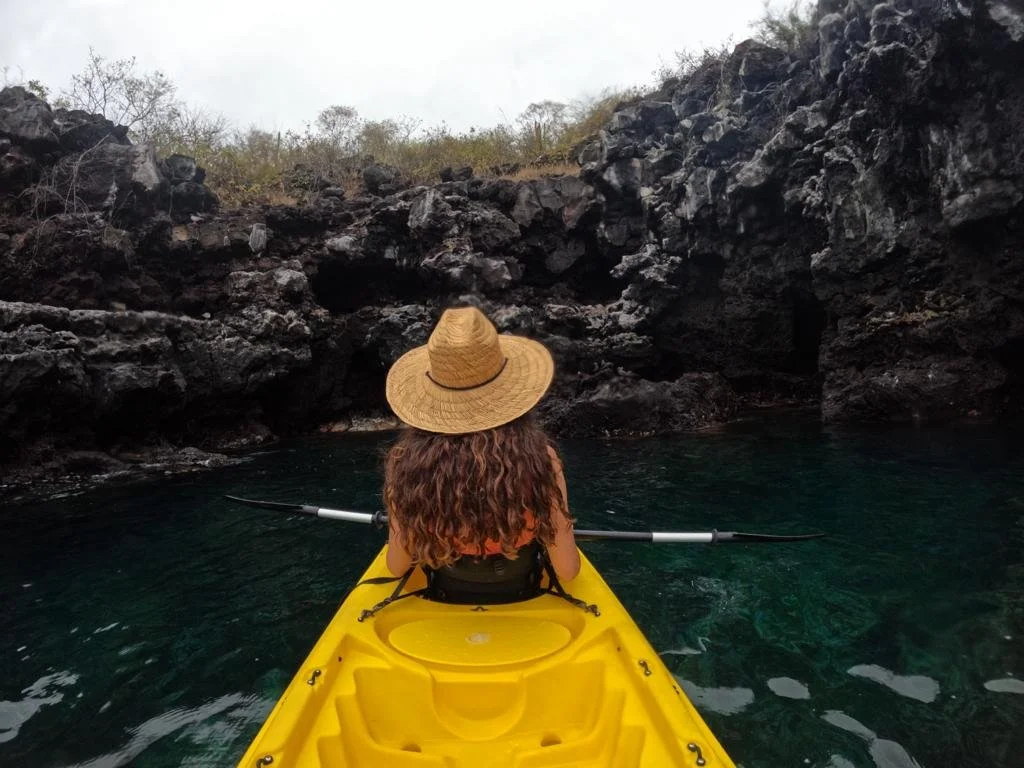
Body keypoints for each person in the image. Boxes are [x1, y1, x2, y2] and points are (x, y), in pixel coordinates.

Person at [381, 305, 580, 601]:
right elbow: (567, 570)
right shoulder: (542, 460)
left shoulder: (404, 464)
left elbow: (397, 567)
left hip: (445, 599)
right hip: (521, 595)